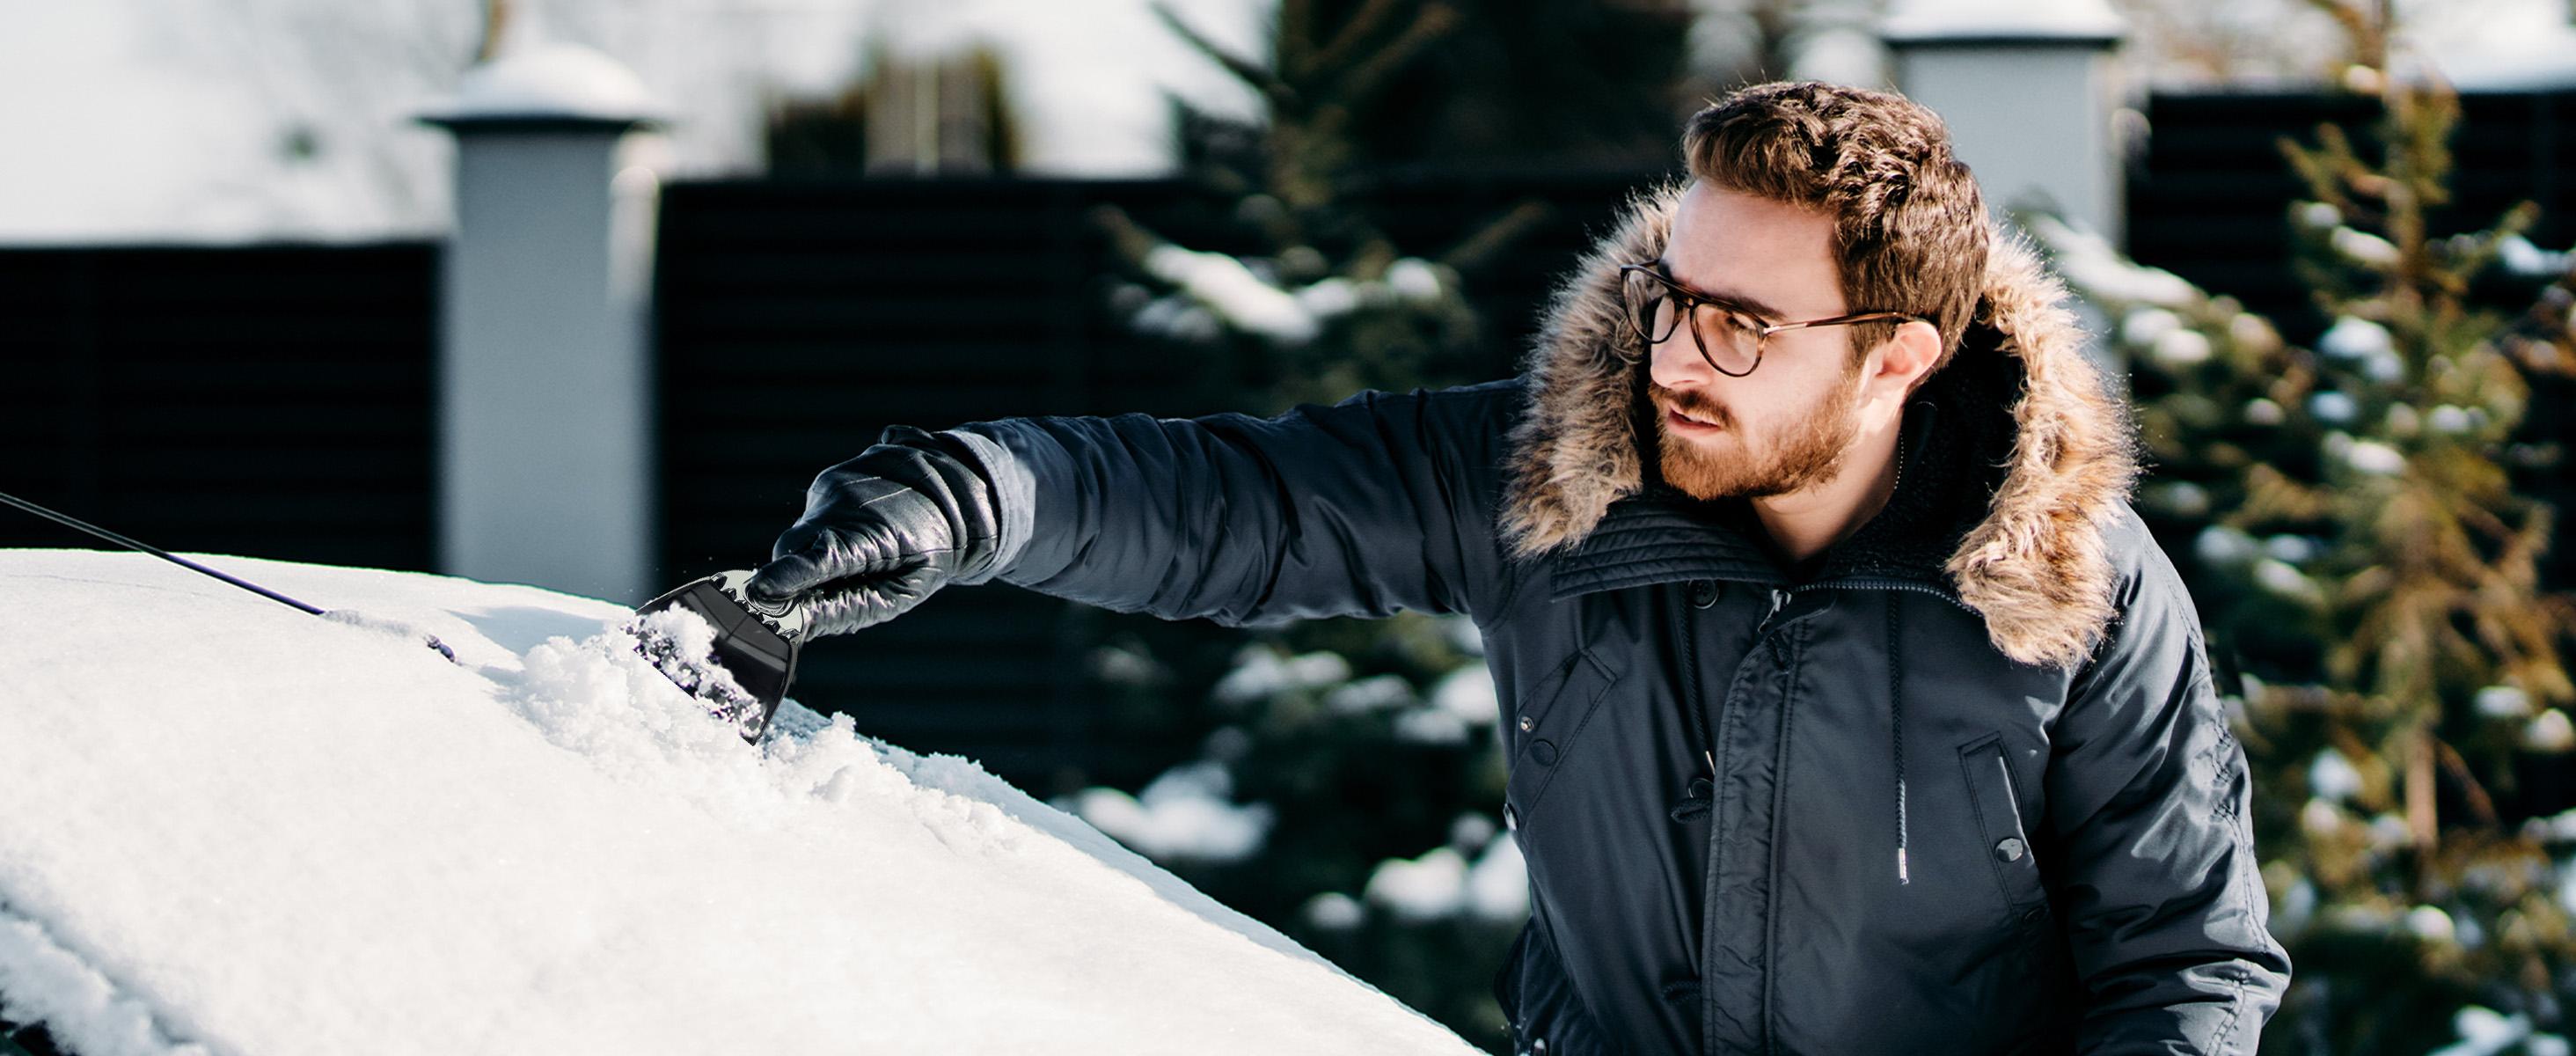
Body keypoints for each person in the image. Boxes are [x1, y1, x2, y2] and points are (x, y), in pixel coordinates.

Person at [745, 81, 2293, 1055]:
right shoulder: (1558, 481)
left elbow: (2188, 961)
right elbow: (1233, 505)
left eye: (1743, 326)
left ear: (1898, 356)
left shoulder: (2071, 581)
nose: (1676, 355)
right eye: (1675, 295)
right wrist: (962, 500)